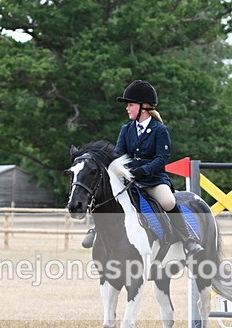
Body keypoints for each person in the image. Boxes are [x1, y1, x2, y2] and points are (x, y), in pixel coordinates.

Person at [82, 80, 204, 256]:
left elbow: (161, 158)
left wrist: (144, 170)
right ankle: (97, 229)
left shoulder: (159, 130)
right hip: (130, 180)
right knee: (110, 199)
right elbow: (119, 155)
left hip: (154, 180)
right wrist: (123, 171)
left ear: (144, 107)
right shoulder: (126, 129)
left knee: (168, 201)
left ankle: (188, 238)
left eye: (130, 105)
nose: (127, 108)